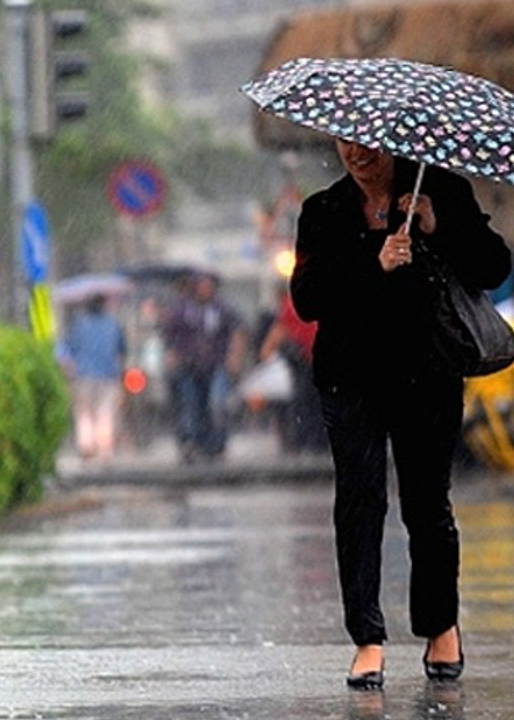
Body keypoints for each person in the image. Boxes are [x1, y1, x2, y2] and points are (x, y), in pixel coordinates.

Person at [292, 139, 510, 689]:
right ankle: (367, 639)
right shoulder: (323, 210)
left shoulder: (437, 192)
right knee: (360, 505)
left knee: (427, 506)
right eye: (345, 144)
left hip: (426, 373)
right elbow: (307, 296)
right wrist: (375, 260)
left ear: (393, 143)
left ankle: (440, 627)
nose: (357, 155)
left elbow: (493, 265)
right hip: (351, 379)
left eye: (369, 146)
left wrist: (439, 227)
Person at [160, 271, 247, 462]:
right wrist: (172, 353)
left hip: (216, 364)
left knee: (217, 404)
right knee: (190, 404)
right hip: (188, 364)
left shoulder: (222, 309)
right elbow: (168, 333)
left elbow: (236, 330)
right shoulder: (182, 310)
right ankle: (190, 442)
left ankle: (216, 443)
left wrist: (234, 356)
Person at [257, 286, 324, 453]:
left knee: (307, 402)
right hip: (307, 361)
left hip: (309, 361)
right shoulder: (293, 305)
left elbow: (280, 330)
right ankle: (313, 440)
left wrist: (267, 351)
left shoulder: (293, 304)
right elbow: (281, 329)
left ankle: (310, 440)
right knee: (310, 401)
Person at [60, 295, 127, 460]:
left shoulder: (79, 325)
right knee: (105, 412)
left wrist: (68, 368)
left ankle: (86, 445)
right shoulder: (113, 325)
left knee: (84, 413)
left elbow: (67, 349)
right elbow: (122, 349)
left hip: (82, 375)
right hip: (108, 374)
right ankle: (105, 448)